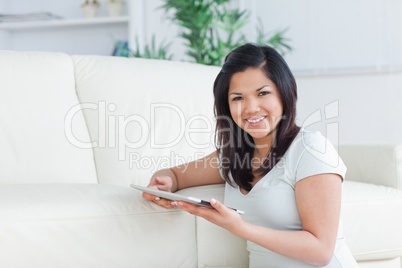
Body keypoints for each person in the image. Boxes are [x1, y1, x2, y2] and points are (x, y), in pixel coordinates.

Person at [142, 43, 358, 267]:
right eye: (238, 98)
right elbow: (176, 175)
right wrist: (163, 184)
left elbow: (321, 251)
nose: (251, 108)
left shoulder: (311, 149)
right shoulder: (233, 156)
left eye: (262, 93)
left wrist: (239, 227)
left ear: (285, 92)